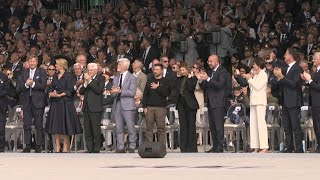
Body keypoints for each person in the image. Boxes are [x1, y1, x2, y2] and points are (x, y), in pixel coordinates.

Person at [45, 58, 83, 153]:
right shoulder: (55, 76)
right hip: (55, 103)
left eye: (57, 64)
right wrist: (51, 92)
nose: (55, 66)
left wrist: (60, 94)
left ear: (61, 65)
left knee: (65, 125)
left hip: (65, 103)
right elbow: (50, 87)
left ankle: (66, 146)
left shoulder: (69, 76)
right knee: (56, 126)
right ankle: (57, 146)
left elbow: (70, 90)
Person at [198, 54, 230, 153]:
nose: (209, 63)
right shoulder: (210, 72)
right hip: (211, 102)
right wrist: (201, 80)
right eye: (208, 61)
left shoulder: (222, 71)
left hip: (219, 102)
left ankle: (220, 146)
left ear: (217, 61)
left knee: (218, 126)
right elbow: (206, 86)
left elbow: (220, 85)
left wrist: (208, 79)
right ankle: (215, 145)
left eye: (211, 61)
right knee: (212, 126)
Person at [274, 48, 304, 153]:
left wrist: (282, 77)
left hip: (293, 101)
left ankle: (299, 147)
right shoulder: (285, 68)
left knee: (295, 126)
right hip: (285, 100)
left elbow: (294, 84)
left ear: (291, 56)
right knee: (286, 126)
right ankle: (289, 146)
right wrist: (278, 78)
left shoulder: (298, 68)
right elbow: (281, 83)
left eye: (286, 54)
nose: (284, 56)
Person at [16, 55, 47, 153]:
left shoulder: (41, 72)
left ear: (37, 62)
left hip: (38, 102)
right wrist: (26, 84)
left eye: (34, 61)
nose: (32, 63)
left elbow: (43, 86)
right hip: (26, 102)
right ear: (28, 62)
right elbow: (19, 88)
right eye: (30, 61)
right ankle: (27, 145)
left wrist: (33, 84)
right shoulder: (23, 73)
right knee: (27, 125)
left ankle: (39, 145)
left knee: (39, 125)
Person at [242, 58, 269, 153]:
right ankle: (256, 146)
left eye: (254, 64)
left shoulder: (264, 75)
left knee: (261, 124)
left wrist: (249, 79)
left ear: (258, 65)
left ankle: (264, 146)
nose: (253, 66)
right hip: (253, 101)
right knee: (253, 124)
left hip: (260, 101)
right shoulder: (256, 75)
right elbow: (252, 87)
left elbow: (257, 87)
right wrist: (251, 78)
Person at [111, 58, 137, 153]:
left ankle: (132, 146)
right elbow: (113, 91)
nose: (118, 66)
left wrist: (120, 91)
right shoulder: (116, 77)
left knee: (130, 127)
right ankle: (120, 147)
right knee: (118, 127)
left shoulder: (132, 78)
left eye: (120, 64)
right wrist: (113, 92)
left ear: (126, 66)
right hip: (117, 104)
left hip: (128, 105)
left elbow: (132, 92)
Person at [79, 63, 105, 153]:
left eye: (91, 70)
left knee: (95, 129)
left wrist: (90, 81)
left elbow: (98, 90)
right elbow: (81, 91)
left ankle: (96, 148)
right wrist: (86, 84)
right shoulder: (86, 79)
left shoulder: (101, 78)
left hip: (95, 107)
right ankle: (89, 148)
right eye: (88, 70)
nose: (89, 72)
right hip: (86, 107)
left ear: (96, 70)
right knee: (87, 129)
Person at [143, 63, 170, 144]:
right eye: (154, 69)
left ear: (161, 71)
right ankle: (149, 146)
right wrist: (144, 106)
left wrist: (157, 87)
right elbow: (145, 94)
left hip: (161, 107)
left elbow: (167, 93)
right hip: (150, 107)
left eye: (157, 70)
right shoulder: (150, 80)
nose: (155, 71)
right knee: (149, 128)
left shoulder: (165, 81)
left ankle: (162, 146)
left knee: (161, 128)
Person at [176, 62, 199, 152]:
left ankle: (192, 147)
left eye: (183, 70)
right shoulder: (179, 79)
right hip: (181, 103)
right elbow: (176, 88)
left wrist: (189, 77)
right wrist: (177, 77)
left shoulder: (193, 78)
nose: (182, 72)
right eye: (181, 70)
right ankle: (183, 147)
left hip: (190, 104)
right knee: (183, 126)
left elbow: (191, 88)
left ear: (187, 70)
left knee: (191, 126)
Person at [301, 52, 320, 153]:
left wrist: (310, 81)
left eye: (315, 58)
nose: (313, 60)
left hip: (318, 102)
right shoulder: (316, 71)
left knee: (319, 125)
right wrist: (307, 81)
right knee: (316, 126)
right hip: (315, 102)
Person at [0, 71, 9, 152]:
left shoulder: (4, 77)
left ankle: (1, 147)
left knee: (1, 128)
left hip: (1, 106)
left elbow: (7, 90)